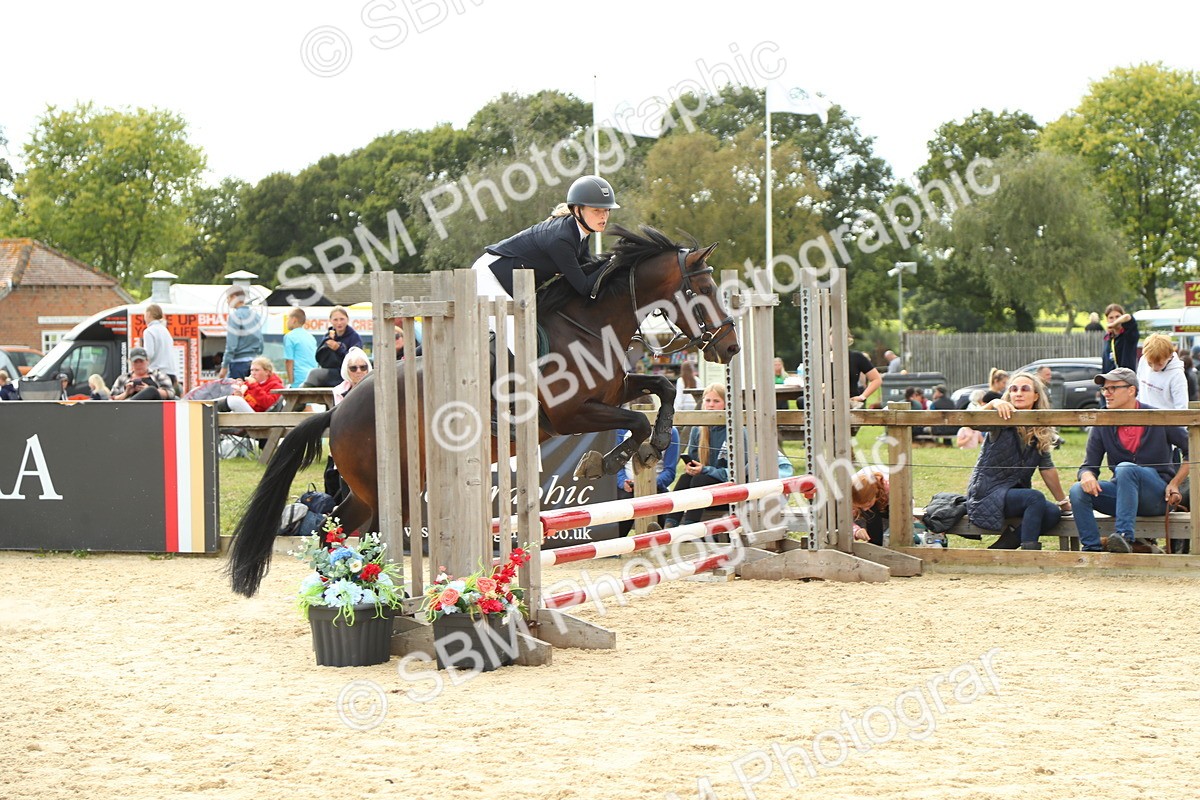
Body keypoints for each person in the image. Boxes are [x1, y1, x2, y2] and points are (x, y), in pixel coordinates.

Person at [1068, 367, 1189, 553]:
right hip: (1121, 496)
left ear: (1131, 390)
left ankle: (1124, 538)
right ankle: (1092, 549)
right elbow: (1088, 466)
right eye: (1104, 389)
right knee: (1077, 490)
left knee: (1125, 468)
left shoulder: (1158, 417)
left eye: (1112, 388)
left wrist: (1175, 483)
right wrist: (1086, 476)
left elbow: (1194, 451)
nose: (1106, 394)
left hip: (1157, 497)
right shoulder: (1102, 423)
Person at [473, 175, 619, 304]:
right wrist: (613, 262)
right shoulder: (562, 240)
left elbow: (587, 270)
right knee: (515, 331)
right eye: (596, 210)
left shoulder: (580, 233)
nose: (603, 216)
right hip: (488, 276)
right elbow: (584, 287)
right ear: (577, 210)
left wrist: (611, 264)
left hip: (507, 281)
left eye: (606, 210)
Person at [965, 372, 1070, 550]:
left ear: (1036, 395)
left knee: (1052, 513)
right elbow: (972, 422)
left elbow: (1047, 468)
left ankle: (1005, 545)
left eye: (1024, 389)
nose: (1018, 393)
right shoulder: (1000, 418)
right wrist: (993, 403)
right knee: (1035, 498)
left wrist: (1062, 502)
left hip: (1015, 494)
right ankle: (1029, 552)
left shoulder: (1040, 428)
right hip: (987, 492)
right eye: (1014, 389)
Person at [662, 383, 738, 528]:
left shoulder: (735, 430)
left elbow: (736, 473)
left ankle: (690, 527)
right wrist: (692, 467)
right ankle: (670, 523)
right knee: (686, 478)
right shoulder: (698, 430)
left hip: (728, 489)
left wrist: (705, 470)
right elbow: (694, 459)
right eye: (707, 401)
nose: (711, 405)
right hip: (703, 489)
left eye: (716, 401)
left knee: (699, 480)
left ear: (726, 404)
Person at [325, 347, 373, 501]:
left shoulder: (376, 388)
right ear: (347, 371)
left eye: (363, 367)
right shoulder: (339, 392)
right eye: (353, 368)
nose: (359, 371)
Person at [615, 426, 681, 535]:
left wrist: (652, 484)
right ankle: (616, 545)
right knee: (624, 503)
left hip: (656, 486)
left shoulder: (671, 432)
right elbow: (617, 464)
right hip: (627, 486)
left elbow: (670, 471)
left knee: (658, 503)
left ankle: (657, 543)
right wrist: (623, 482)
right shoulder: (622, 430)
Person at [304, 307, 363, 388]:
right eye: (335, 320)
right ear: (330, 321)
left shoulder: (354, 337)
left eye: (342, 319)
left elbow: (355, 361)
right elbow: (319, 357)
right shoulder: (328, 336)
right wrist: (326, 345)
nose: (339, 323)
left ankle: (298, 397)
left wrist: (338, 349)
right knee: (313, 375)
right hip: (329, 370)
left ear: (347, 320)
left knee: (314, 374)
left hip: (346, 373)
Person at [218, 287, 263, 381]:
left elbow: (231, 345)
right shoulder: (255, 315)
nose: (227, 301)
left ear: (234, 297)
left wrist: (224, 366)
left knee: (237, 393)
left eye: (228, 298)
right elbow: (261, 340)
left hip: (238, 363)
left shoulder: (235, 316)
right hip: (254, 362)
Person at [1136, 333, 1188, 410]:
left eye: (1160, 364)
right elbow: (1138, 388)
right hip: (1143, 415)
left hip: (1165, 418)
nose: (1154, 368)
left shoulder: (1177, 375)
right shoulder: (1143, 360)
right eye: (1150, 363)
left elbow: (1181, 406)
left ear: (1169, 357)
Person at [216, 356, 284, 413]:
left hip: (261, 416)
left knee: (235, 401)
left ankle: (214, 405)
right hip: (249, 412)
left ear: (267, 372)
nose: (253, 373)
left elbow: (269, 405)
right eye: (251, 370)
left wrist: (254, 386)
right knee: (233, 399)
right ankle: (213, 407)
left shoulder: (276, 385)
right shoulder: (249, 383)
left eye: (256, 370)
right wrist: (239, 394)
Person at [142, 304, 177, 394]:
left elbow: (149, 354)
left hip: (157, 373)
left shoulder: (149, 331)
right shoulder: (165, 331)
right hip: (171, 373)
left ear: (149, 314)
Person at [851, 467, 890, 545]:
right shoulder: (850, 491)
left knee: (872, 512)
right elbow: (843, 519)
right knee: (870, 513)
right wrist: (856, 531)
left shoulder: (889, 486)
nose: (864, 509)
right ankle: (874, 545)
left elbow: (906, 504)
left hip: (888, 499)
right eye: (860, 506)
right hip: (876, 498)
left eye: (867, 504)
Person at [282, 307, 319, 388]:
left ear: (294, 320)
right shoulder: (311, 337)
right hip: (312, 377)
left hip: (298, 377)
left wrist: (291, 382)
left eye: (288, 319)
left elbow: (289, 361)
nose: (287, 322)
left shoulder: (290, 336)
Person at [1101, 303, 1138, 373]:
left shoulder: (1129, 334)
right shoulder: (1108, 338)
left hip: (1125, 379)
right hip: (1110, 379)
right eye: (1111, 318)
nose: (1114, 319)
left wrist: (1113, 324)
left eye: (1117, 316)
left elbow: (1128, 317)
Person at [847, 335, 881, 408]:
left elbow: (876, 379)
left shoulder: (856, 357)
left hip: (851, 406)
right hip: (825, 408)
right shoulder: (823, 358)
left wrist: (862, 397)